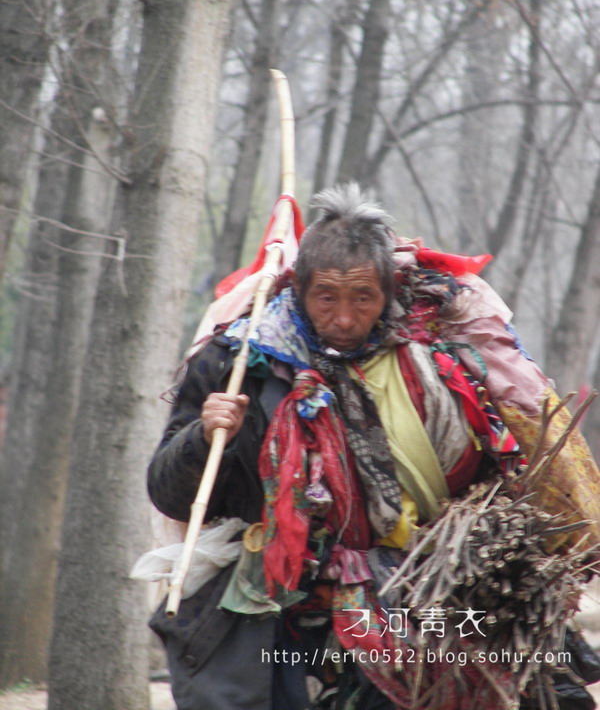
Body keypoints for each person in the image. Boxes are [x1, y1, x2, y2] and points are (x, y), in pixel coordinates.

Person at [146, 184, 600, 710]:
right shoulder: (243, 365)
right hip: (295, 603)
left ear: (388, 293)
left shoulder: (446, 358)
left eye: (362, 298)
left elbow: (507, 469)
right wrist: (203, 439)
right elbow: (170, 494)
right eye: (326, 298)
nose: (343, 317)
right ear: (298, 291)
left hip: (439, 586)